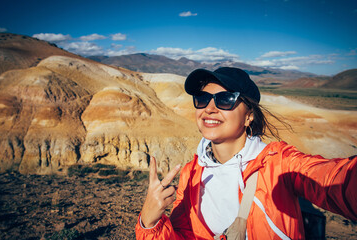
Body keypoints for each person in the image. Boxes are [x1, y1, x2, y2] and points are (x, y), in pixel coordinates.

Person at [135, 67, 357, 239]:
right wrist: (149, 223)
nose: (209, 109)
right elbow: (184, 235)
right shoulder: (191, 173)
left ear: (249, 115)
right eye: (202, 99)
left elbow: (338, 180)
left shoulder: (279, 164)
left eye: (225, 99)